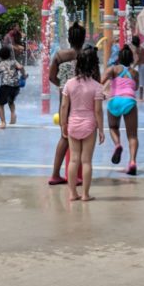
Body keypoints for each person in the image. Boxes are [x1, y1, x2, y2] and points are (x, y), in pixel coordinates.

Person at [61, 45, 104, 202]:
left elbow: (64, 106)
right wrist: (101, 130)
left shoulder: (69, 84)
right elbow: (98, 111)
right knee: (86, 161)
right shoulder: (97, 87)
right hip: (89, 125)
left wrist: (63, 124)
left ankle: (72, 193)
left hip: (73, 124)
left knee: (74, 159)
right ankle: (85, 194)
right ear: (94, 66)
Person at [47, 23, 87, 185]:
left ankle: (56, 174)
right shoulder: (87, 55)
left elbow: (51, 77)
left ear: (69, 38)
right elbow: (95, 79)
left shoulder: (59, 56)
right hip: (83, 102)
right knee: (84, 137)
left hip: (65, 101)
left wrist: (64, 86)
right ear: (83, 38)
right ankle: (79, 175)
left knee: (64, 137)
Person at [101, 44, 139, 175]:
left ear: (119, 58)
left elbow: (100, 82)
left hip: (114, 100)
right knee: (132, 135)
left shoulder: (113, 69)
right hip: (129, 101)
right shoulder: (135, 73)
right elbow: (136, 88)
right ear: (131, 59)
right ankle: (132, 162)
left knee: (113, 127)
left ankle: (117, 144)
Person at [0, 45, 23, 128]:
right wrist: (24, 75)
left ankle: (3, 122)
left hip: (5, 86)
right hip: (16, 86)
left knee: (0, 105)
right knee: (11, 101)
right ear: (10, 55)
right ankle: (13, 115)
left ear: (0, 56)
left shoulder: (0, 66)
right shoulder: (14, 62)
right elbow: (20, 67)